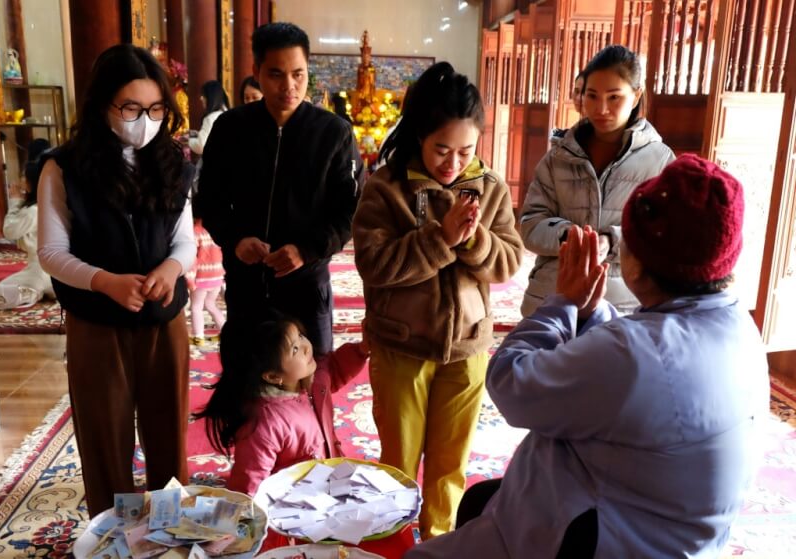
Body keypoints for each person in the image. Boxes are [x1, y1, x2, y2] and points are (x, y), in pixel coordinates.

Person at [405, 155, 769, 558]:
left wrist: (561, 304)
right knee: (480, 501)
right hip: (660, 528)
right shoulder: (738, 329)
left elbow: (511, 383)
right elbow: (637, 367)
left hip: (596, 537)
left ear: (640, 265)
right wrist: (591, 311)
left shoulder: (634, 355)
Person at [352, 62, 523, 540]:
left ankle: (440, 543)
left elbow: (508, 261)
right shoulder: (387, 188)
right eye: (441, 149)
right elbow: (375, 265)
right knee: (399, 466)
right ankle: (394, 543)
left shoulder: (489, 188)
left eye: (465, 150)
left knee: (451, 469)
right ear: (419, 138)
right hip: (401, 346)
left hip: (467, 348)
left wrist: (473, 242)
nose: (452, 163)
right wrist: (441, 239)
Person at [37, 44, 196, 517]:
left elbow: (184, 241)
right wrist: (104, 281)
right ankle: (113, 536)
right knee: (105, 435)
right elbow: (52, 252)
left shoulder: (172, 162)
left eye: (154, 109)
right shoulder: (64, 168)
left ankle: (172, 527)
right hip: (96, 324)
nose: (143, 120)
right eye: (130, 108)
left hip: (163, 320)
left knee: (168, 432)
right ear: (102, 104)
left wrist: (171, 269)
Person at [197, 22, 362, 355]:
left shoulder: (333, 133)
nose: (289, 86)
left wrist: (306, 250)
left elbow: (349, 211)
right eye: (276, 74)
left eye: (298, 74)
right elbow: (209, 198)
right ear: (256, 72)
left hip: (306, 285)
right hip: (246, 283)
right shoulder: (231, 129)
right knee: (245, 384)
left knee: (312, 383)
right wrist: (235, 240)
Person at [520, 45, 675, 316]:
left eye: (614, 97)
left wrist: (611, 240)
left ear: (636, 95)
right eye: (592, 96)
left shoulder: (660, 161)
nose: (601, 108)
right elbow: (531, 225)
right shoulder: (558, 157)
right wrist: (570, 237)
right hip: (554, 298)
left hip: (623, 304)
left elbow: (666, 232)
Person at [194, 317, 369, 497]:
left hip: (328, 479)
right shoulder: (265, 424)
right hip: (294, 502)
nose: (306, 346)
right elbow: (250, 480)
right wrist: (250, 514)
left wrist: (362, 349)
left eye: (300, 336)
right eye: (295, 349)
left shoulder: (311, 378)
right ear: (272, 376)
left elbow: (334, 368)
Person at [0, 138, 55, 310]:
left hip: (40, 270)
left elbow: (9, 231)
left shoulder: (35, 210)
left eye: (23, 177)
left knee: (0, 292)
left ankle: (31, 292)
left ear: (31, 184)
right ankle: (37, 290)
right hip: (50, 271)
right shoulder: (44, 205)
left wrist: (14, 201)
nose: (20, 180)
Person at [186, 211, 225, 345]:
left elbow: (192, 259)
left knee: (196, 307)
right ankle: (225, 332)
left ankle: (198, 337)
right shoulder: (216, 229)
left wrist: (190, 280)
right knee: (210, 305)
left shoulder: (195, 232)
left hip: (202, 278)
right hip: (217, 276)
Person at [188, 80, 229, 155]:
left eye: (203, 95)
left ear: (211, 97)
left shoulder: (210, 118)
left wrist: (189, 140)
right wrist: (195, 134)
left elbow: (202, 146)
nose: (201, 98)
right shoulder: (227, 113)